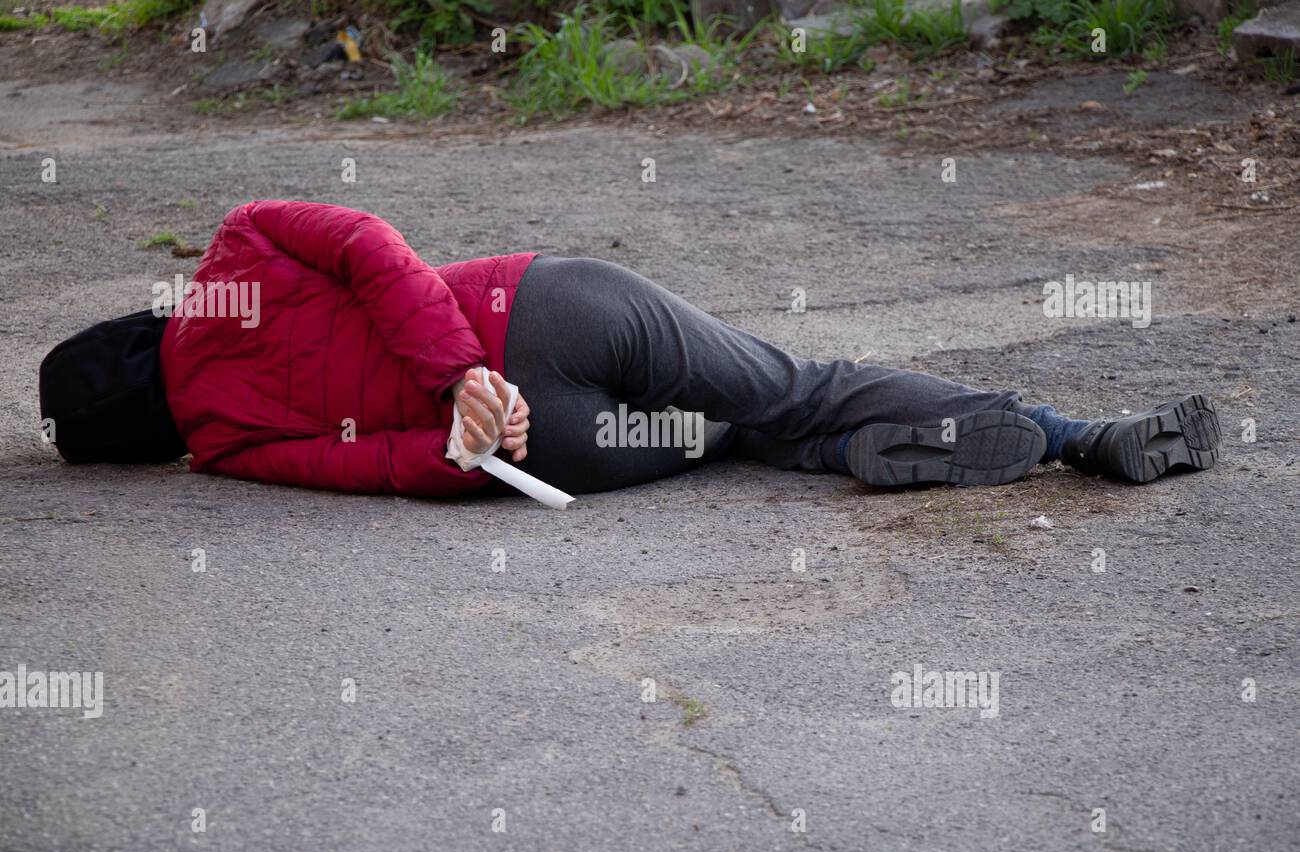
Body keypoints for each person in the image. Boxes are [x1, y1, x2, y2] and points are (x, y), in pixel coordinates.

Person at [39, 201, 1221, 497]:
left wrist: (464, 441)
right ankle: (1076, 436)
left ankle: (844, 455)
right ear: (130, 330)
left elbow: (375, 467)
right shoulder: (237, 245)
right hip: (552, 309)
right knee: (792, 383)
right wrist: (461, 366)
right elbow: (369, 246)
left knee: (727, 434)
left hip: (549, 448)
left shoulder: (222, 447)